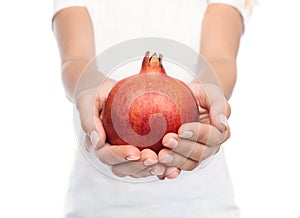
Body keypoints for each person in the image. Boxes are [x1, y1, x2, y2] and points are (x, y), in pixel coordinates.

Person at [52, 0, 251, 217]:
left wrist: (208, 92)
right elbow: (75, 61)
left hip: (200, 204)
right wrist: (93, 89)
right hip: (97, 203)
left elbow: (219, 60)